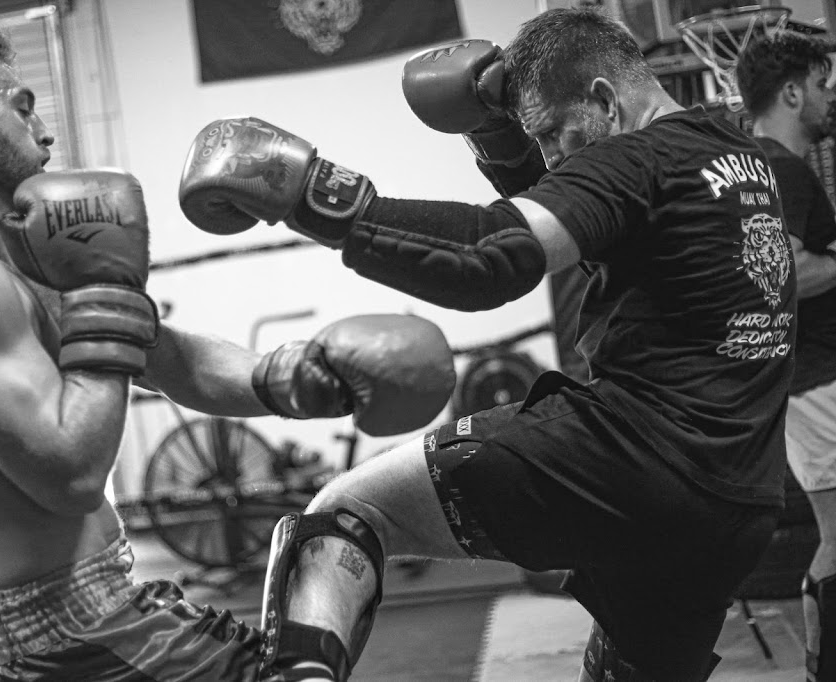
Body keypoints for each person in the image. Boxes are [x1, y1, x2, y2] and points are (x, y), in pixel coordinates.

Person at [179, 7, 798, 681]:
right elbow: (581, 208)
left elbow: (487, 257)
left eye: (554, 134)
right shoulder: (733, 152)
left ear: (604, 100)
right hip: (736, 504)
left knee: (347, 510)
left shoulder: (637, 158)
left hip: (633, 457)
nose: (552, 156)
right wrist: (495, 133)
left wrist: (308, 193)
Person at [0, 22, 456, 680]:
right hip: (59, 644)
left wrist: (294, 377)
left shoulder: (22, 255)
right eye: (22, 106)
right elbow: (70, 475)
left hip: (105, 614)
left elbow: (175, 361)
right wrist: (105, 292)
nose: (45, 130)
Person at [736, 31, 836, 682]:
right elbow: (787, 275)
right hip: (818, 381)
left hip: (807, 381)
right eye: (823, 85)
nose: (830, 98)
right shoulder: (784, 168)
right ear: (793, 93)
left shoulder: (755, 168)